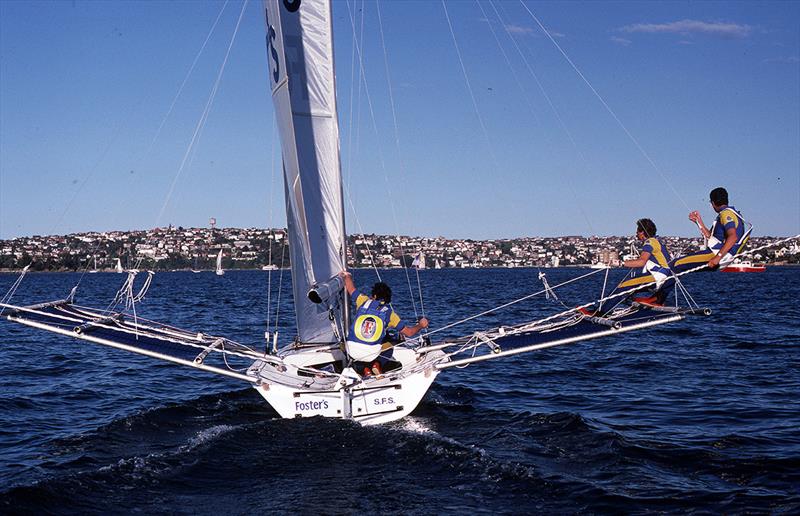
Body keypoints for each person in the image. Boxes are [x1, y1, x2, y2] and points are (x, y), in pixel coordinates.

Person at [339, 270, 429, 376]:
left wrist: (347, 276)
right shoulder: (389, 314)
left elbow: (351, 288)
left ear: (374, 295)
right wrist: (421, 325)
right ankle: (376, 364)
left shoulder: (362, 301)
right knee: (390, 345)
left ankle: (364, 370)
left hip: (351, 350)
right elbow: (409, 333)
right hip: (370, 354)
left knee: (342, 344)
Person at [672, 187, 748, 272]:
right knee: (680, 267)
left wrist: (717, 258)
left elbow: (733, 237)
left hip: (716, 254)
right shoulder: (732, 213)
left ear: (713, 203)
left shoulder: (726, 214)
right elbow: (710, 237)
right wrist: (698, 221)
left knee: (676, 264)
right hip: (719, 255)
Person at [615, 218, 674, 306]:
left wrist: (620, 263)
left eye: (637, 232)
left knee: (622, 287)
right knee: (631, 291)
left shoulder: (649, 242)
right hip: (667, 280)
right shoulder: (659, 242)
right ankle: (657, 301)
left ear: (642, 232)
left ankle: (600, 312)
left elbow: (642, 262)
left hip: (658, 278)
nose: (636, 234)